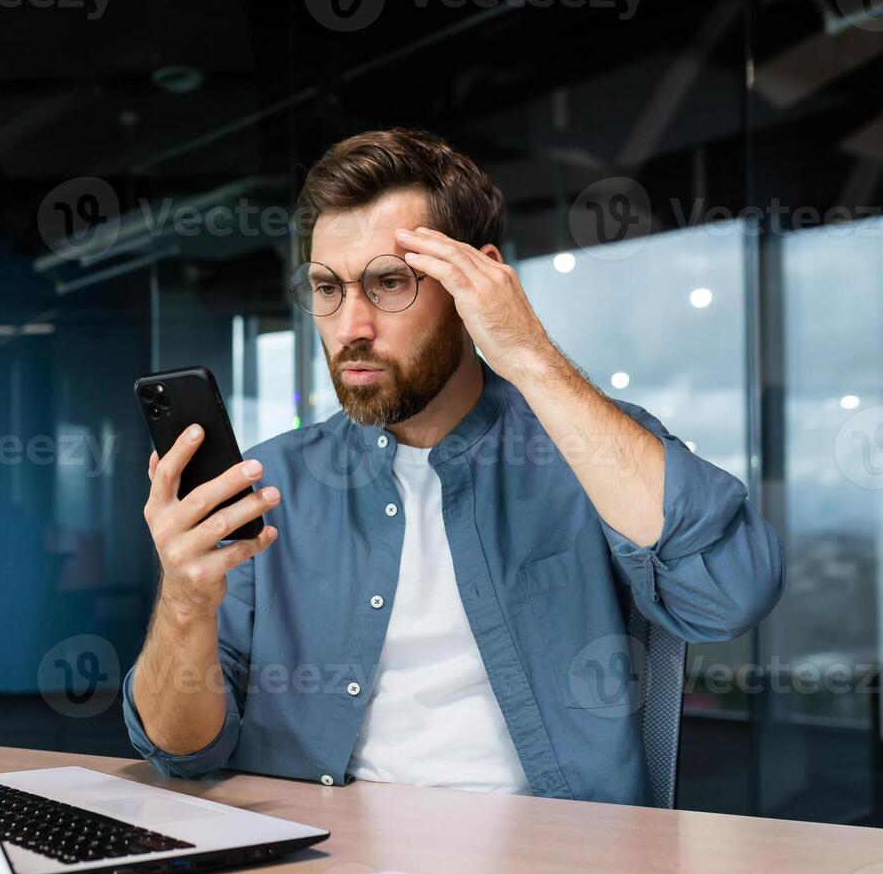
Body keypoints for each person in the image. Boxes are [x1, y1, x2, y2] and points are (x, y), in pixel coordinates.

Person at [123, 128, 785, 804]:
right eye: (326, 287)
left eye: (388, 283)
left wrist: (527, 354)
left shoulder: (589, 450)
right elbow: (182, 752)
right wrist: (184, 600)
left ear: (477, 280)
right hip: (321, 871)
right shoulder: (265, 487)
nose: (351, 325)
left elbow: (730, 597)